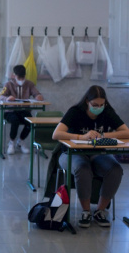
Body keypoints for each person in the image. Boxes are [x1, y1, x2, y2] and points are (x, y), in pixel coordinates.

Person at [53, 85, 129, 228]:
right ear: (87, 101)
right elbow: (56, 134)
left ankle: (100, 211)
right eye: (95, 105)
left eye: (101, 105)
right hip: (70, 154)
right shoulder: (75, 112)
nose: (98, 107)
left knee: (115, 170)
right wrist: (81, 137)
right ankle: (86, 211)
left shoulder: (107, 112)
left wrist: (103, 135)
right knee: (83, 169)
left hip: (96, 154)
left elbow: (126, 132)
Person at [0, 65, 44, 155]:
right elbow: (0, 96)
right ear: (14, 75)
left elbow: (37, 94)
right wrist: (7, 98)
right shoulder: (8, 84)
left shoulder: (29, 84)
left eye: (22, 77)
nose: (21, 79)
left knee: (30, 122)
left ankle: (21, 141)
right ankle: (11, 142)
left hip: (24, 111)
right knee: (15, 121)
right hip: (10, 112)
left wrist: (38, 96)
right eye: (19, 77)